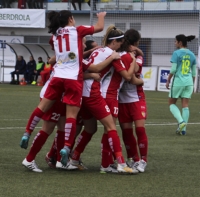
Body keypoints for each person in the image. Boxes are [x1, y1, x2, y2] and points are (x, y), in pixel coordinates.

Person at [19, 10, 107, 169]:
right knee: (56, 123)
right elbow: (98, 29)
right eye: (83, 40)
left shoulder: (55, 36)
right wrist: (101, 16)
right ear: (71, 19)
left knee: (59, 124)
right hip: (69, 82)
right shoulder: (77, 32)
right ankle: (57, 150)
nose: (82, 41)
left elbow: (56, 57)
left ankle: (51, 152)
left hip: (57, 81)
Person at [70, 25, 137, 174]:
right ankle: (118, 163)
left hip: (83, 91)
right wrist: (133, 61)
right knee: (111, 127)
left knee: (90, 128)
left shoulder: (100, 50)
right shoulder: (112, 54)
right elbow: (127, 76)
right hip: (94, 92)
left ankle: (74, 158)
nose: (120, 46)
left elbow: (85, 66)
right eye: (120, 43)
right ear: (115, 42)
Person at [118, 29, 148, 173]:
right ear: (136, 42)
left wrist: (136, 55)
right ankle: (134, 159)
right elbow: (133, 77)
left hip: (136, 97)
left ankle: (143, 161)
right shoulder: (120, 55)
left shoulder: (135, 56)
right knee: (127, 131)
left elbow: (135, 70)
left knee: (139, 129)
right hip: (122, 98)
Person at [166, 34, 196, 135]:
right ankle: (183, 130)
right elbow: (194, 73)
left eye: (175, 41)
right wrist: (192, 84)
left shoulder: (176, 53)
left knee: (171, 103)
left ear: (180, 42)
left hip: (178, 81)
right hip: (189, 83)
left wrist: (168, 79)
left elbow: (174, 69)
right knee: (185, 105)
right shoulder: (192, 54)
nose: (175, 43)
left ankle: (181, 122)